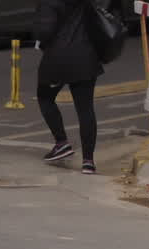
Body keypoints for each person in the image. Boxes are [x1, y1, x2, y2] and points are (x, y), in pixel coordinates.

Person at [33, 0, 104, 174]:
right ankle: (88, 162)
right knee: (85, 108)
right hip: (86, 57)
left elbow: (45, 31)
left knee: (45, 97)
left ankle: (61, 143)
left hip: (59, 59)